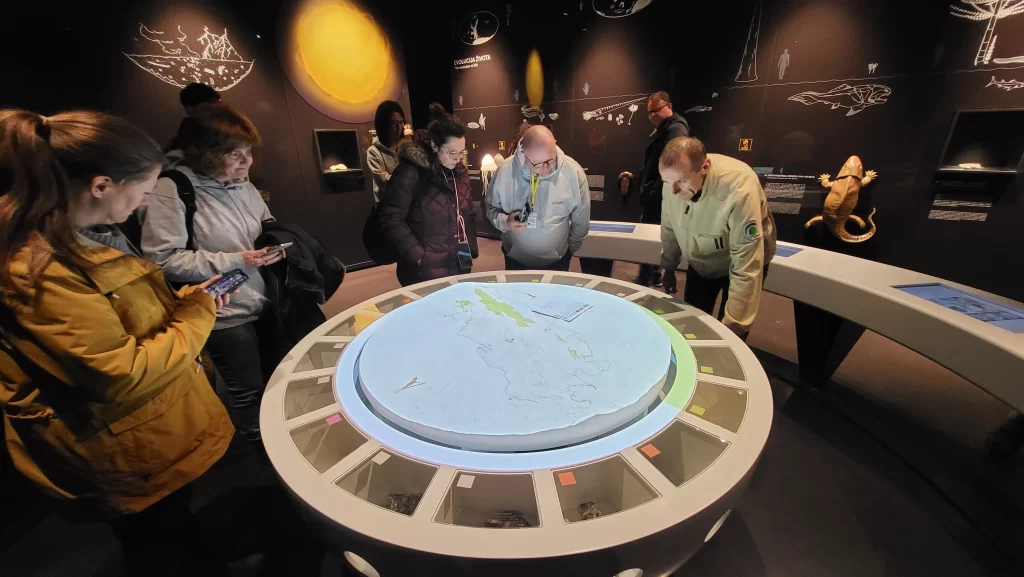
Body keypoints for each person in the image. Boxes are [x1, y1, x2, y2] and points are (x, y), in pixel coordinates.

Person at [0, 109, 234, 576]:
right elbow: (119, 373)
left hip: (143, 436)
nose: (145, 203)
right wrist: (198, 312)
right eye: (144, 190)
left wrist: (182, 303)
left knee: (174, 530)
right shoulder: (38, 272)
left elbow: (116, 321)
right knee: (157, 547)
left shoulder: (82, 241)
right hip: (120, 450)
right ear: (102, 186)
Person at [141, 105, 283, 443]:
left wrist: (278, 244)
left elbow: (267, 225)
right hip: (224, 312)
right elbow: (162, 259)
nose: (247, 161)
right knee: (247, 392)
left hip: (266, 300)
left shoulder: (244, 185)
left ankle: (280, 439)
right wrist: (237, 259)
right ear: (204, 152)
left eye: (248, 151)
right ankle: (259, 449)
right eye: (234, 153)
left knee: (278, 378)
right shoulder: (172, 188)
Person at [658, 136, 776, 338]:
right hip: (700, 260)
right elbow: (669, 227)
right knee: (692, 323)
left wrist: (734, 330)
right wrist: (668, 266)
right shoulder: (673, 180)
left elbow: (746, 266)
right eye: (666, 182)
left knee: (730, 328)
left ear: (704, 167)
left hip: (738, 261)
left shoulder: (740, 188)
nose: (673, 191)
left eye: (682, 182)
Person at [379, 113, 478, 286]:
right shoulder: (410, 172)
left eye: (462, 151)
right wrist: (418, 257)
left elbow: (467, 212)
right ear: (434, 146)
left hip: (458, 264)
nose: (458, 158)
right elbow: (391, 218)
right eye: (452, 152)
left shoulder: (460, 173)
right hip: (423, 271)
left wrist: (470, 249)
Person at [486, 125, 591, 271]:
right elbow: (491, 209)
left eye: (550, 160)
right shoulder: (504, 171)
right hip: (516, 257)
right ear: (523, 153)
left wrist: (572, 248)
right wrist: (505, 221)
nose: (546, 169)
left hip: (558, 259)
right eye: (538, 164)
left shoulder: (573, 172)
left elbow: (581, 219)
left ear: (555, 143)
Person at [635, 91, 690, 286]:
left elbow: (673, 166)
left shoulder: (675, 130)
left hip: (659, 196)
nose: (652, 116)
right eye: (649, 112)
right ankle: (653, 274)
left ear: (669, 106)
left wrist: (654, 191)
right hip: (656, 194)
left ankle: (647, 277)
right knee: (654, 235)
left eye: (656, 110)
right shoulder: (664, 128)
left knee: (653, 236)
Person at [367, 100, 407, 203]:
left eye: (401, 122)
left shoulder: (404, 147)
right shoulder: (374, 151)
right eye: (394, 123)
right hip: (386, 206)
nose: (399, 128)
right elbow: (385, 182)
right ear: (384, 124)